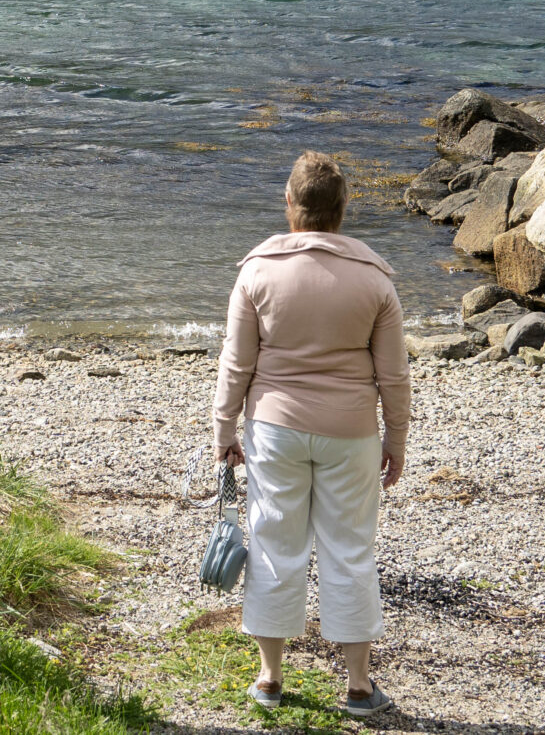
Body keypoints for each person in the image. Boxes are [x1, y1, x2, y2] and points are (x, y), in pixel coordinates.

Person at [212, 152, 409, 720]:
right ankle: (357, 686)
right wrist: (395, 439)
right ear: (343, 210)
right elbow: (393, 375)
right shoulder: (376, 280)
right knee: (350, 550)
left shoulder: (257, 272)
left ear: (289, 206)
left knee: (274, 543)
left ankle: (271, 677)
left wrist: (224, 430)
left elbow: (235, 364)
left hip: (274, 427)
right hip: (351, 432)